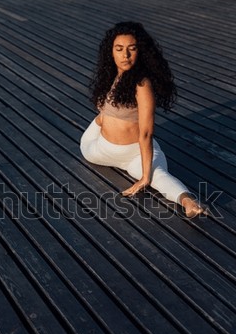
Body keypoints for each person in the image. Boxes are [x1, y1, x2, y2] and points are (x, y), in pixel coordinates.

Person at [80, 21, 208, 218]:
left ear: (141, 52)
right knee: (85, 145)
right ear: (111, 51)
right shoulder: (110, 76)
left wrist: (145, 177)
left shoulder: (142, 84)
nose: (125, 55)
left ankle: (189, 202)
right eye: (119, 49)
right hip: (100, 152)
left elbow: (146, 133)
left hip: (134, 155)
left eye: (132, 49)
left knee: (158, 177)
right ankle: (99, 124)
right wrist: (102, 119)